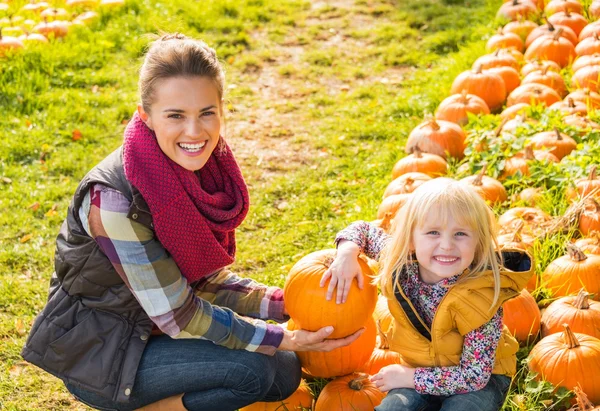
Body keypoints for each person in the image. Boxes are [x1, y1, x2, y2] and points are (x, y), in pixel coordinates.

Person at [21, 33, 363, 411]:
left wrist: (294, 304)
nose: (195, 132)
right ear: (145, 116)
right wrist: (281, 337)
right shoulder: (114, 203)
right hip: (105, 355)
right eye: (176, 116)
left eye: (206, 113)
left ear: (221, 109)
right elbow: (179, 314)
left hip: (153, 329)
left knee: (283, 372)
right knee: (254, 371)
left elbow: (200, 283)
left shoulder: (197, 169)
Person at [322, 178, 533, 411]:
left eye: (460, 234)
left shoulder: (482, 295)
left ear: (478, 242)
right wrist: (347, 253)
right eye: (433, 232)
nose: (446, 245)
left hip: (483, 379)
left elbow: (474, 376)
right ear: (411, 238)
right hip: (419, 368)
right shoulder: (400, 265)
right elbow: (363, 229)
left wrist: (409, 378)